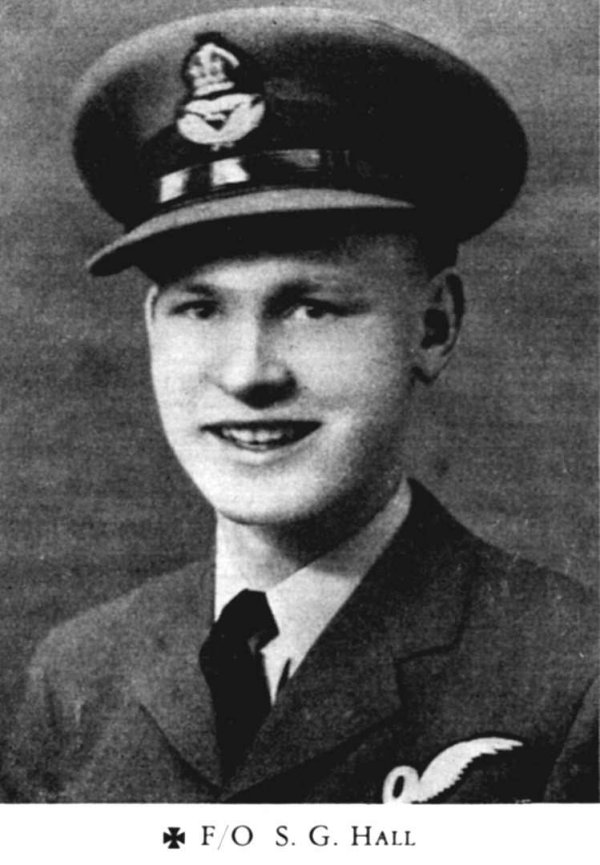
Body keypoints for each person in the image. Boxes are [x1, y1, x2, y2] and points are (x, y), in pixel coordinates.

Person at [2, 6, 597, 804]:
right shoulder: (79, 674)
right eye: (200, 307)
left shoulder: (571, 676)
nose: (249, 374)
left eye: (313, 306)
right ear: (151, 328)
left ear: (433, 326)